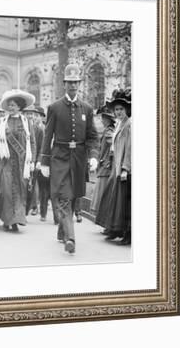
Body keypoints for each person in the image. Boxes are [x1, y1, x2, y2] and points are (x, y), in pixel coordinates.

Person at [40, 63, 99, 254]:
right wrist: (44, 161)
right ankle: (70, 238)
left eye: (76, 83)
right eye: (69, 83)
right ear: (64, 84)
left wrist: (93, 156)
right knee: (64, 197)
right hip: (60, 158)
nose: (73, 86)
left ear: (79, 84)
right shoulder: (55, 107)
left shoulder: (87, 109)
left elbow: (92, 136)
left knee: (73, 198)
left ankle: (61, 231)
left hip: (79, 159)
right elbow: (48, 136)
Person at [0, 90, 36, 232]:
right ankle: (7, 219)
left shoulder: (27, 123)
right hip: (5, 162)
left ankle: (17, 219)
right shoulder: (1, 123)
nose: (11, 107)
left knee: (20, 190)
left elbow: (32, 142)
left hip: (21, 163)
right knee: (6, 190)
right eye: (9, 105)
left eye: (13, 105)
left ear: (19, 107)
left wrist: (32, 161)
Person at [97, 89, 132, 245]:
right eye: (116, 109)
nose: (118, 112)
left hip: (125, 169)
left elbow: (130, 148)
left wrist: (125, 168)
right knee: (115, 199)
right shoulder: (120, 125)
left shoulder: (129, 125)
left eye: (121, 109)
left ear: (127, 110)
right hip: (116, 167)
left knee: (126, 204)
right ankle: (115, 229)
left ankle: (128, 234)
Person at [92, 104, 117, 230]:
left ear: (108, 119)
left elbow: (112, 145)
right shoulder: (110, 130)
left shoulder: (109, 132)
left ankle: (107, 224)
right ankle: (106, 224)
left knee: (104, 196)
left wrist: (107, 160)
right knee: (104, 196)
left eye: (103, 117)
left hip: (106, 167)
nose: (101, 120)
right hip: (105, 166)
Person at [22, 105, 43, 217]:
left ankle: (34, 206)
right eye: (27, 113)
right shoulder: (21, 126)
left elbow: (41, 148)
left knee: (32, 185)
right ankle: (23, 208)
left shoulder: (38, 130)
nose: (30, 116)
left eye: (32, 114)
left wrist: (38, 161)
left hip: (32, 161)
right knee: (23, 185)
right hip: (22, 161)